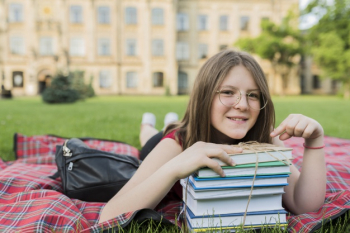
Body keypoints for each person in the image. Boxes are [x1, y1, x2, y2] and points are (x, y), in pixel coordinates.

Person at [99, 50, 326, 223]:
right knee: (150, 136)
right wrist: (175, 167)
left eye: (253, 95)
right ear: (205, 96)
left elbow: (303, 204)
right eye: (228, 92)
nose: (243, 105)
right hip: (168, 140)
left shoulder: (265, 138)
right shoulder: (175, 144)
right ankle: (148, 124)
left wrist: (315, 141)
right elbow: (108, 217)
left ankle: (167, 119)